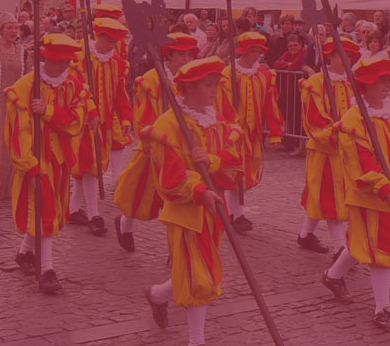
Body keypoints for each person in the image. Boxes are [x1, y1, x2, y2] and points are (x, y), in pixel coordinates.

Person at [321, 58, 390, 333]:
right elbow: (363, 162)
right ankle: (383, 309)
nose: (387, 86)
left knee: (360, 241)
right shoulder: (352, 121)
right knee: (382, 248)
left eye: (389, 81)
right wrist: (386, 189)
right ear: (364, 86)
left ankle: (333, 276)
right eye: (381, 81)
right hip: (367, 196)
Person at [142, 56, 243, 346]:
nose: (215, 91)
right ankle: (196, 341)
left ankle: (158, 294)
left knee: (198, 270)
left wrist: (211, 162)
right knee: (200, 278)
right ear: (188, 88)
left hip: (214, 211)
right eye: (208, 85)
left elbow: (234, 162)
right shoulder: (169, 125)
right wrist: (200, 191)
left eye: (216, 85)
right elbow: (170, 179)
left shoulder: (218, 122)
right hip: (185, 213)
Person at [4, 33, 87, 293]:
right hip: (36, 162)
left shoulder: (72, 85)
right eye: (59, 61)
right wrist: (28, 163)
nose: (63, 66)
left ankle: (24, 252)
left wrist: (48, 112)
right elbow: (18, 130)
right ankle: (47, 269)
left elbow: (76, 120)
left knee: (48, 212)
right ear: (46, 59)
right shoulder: (25, 86)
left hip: (60, 160)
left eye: (66, 61)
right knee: (45, 211)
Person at [114, 32, 199, 251]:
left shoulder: (191, 79)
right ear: (168, 55)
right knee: (139, 193)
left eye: (189, 55)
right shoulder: (151, 79)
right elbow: (144, 116)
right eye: (181, 54)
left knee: (177, 198)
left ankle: (175, 251)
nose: (186, 60)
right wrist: (158, 138)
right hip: (155, 145)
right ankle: (125, 224)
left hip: (183, 147)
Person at [69, 17, 132, 235]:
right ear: (99, 36)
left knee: (86, 168)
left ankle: (73, 209)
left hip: (103, 125)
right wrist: (91, 112)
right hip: (83, 123)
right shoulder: (80, 59)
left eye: (116, 41)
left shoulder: (117, 63)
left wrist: (125, 117)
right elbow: (77, 89)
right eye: (109, 40)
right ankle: (95, 214)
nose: (113, 45)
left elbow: (120, 94)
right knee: (90, 167)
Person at [298, 38, 360, 256]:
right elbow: (314, 117)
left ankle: (305, 234)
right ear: (330, 56)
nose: (346, 59)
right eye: (341, 54)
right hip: (325, 151)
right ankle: (339, 248)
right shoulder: (315, 83)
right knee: (330, 197)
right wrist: (334, 133)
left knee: (327, 195)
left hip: (346, 151)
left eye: (350, 56)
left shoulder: (353, 82)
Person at [218, 32, 284, 232]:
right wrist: (229, 128)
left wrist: (275, 132)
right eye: (252, 51)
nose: (256, 55)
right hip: (232, 132)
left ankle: (232, 212)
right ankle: (236, 215)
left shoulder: (264, 75)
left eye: (258, 51)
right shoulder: (228, 74)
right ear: (243, 51)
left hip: (253, 133)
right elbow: (222, 104)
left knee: (245, 173)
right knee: (234, 170)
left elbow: (270, 105)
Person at [0, 13, 32, 200]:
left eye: (16, 27)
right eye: (9, 27)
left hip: (17, 103)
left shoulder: (23, 52)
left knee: (16, 140)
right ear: (0, 30)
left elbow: (30, 78)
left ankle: (12, 185)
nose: (13, 31)